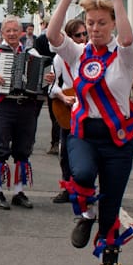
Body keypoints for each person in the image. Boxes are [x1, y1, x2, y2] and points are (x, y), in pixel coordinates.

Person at [47, 0, 133, 265]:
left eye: (102, 23)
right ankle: (84, 213)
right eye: (90, 23)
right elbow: (53, 35)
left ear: (113, 24)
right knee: (82, 175)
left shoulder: (126, 56)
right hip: (84, 133)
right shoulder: (77, 53)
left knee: (111, 219)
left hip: (118, 141)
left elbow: (129, 38)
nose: (95, 29)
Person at [0, 16, 46, 210]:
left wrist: (48, 77)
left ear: (21, 33)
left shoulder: (31, 52)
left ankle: (18, 192)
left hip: (27, 106)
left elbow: (43, 76)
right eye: (8, 31)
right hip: (4, 106)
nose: (12, 34)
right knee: (1, 148)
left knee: (23, 150)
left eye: (15, 30)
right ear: (2, 33)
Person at [48, 18, 86, 202]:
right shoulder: (59, 59)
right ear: (70, 38)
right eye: (78, 35)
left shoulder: (91, 55)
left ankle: (84, 189)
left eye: (84, 34)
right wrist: (63, 97)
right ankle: (67, 187)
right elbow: (52, 87)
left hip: (87, 109)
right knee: (66, 153)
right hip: (69, 109)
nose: (83, 38)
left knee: (86, 152)